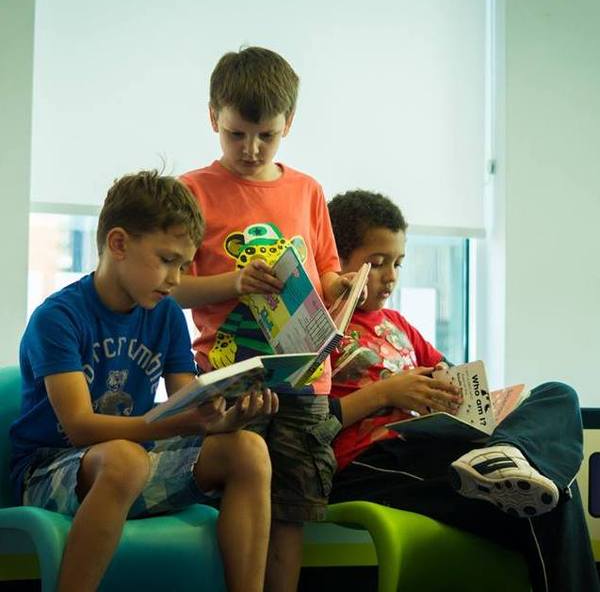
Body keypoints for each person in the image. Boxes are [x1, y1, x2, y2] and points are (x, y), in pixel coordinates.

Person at [9, 170, 277, 592]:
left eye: (184, 266)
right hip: (49, 472)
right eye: (167, 260)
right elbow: (79, 427)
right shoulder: (58, 318)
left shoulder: (165, 313)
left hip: (133, 462)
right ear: (118, 244)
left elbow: (187, 401)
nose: (176, 279)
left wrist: (222, 419)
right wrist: (175, 424)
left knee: (248, 450)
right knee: (126, 459)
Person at [326, 189, 599, 592]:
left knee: (559, 395)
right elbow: (310, 421)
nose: (391, 277)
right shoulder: (321, 325)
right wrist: (388, 393)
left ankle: (506, 453)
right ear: (336, 260)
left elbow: (452, 376)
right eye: (378, 263)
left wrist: (443, 385)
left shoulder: (397, 323)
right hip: (372, 460)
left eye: (398, 263)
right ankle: (507, 462)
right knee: (551, 493)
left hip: (432, 445)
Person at [173, 47, 347, 591]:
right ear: (213, 118)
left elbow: (326, 270)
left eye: (265, 136)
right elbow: (171, 289)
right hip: (229, 376)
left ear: (288, 123)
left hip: (304, 378)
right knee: (233, 503)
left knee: (292, 510)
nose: (250, 150)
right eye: (236, 134)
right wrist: (235, 282)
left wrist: (343, 287)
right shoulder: (192, 191)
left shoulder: (307, 190)